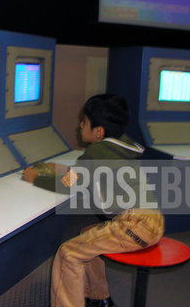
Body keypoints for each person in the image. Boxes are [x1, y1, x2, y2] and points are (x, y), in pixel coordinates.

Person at [23, 94, 164, 307]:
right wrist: (58, 168)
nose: (80, 125)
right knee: (87, 235)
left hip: (133, 224)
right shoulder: (117, 147)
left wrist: (36, 178)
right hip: (150, 222)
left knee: (68, 253)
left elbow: (67, 184)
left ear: (98, 131)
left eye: (85, 121)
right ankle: (99, 299)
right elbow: (83, 174)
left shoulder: (96, 152)